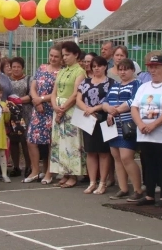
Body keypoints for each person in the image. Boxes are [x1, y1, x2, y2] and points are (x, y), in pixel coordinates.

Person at [131, 55, 162, 207]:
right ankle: (149, 194)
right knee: (148, 165)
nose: (153, 70)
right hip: (144, 133)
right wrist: (140, 124)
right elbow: (134, 107)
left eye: (157, 67)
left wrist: (154, 124)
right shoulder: (144, 87)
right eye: (151, 67)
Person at [103, 58, 143, 201]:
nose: (122, 72)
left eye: (126, 69)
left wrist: (116, 110)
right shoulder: (115, 85)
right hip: (113, 125)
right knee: (117, 157)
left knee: (126, 157)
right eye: (120, 69)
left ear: (133, 70)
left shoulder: (137, 84)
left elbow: (134, 101)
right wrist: (108, 110)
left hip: (128, 125)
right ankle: (123, 188)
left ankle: (138, 189)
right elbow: (105, 101)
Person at [51, 41, 87, 188]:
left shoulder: (80, 72)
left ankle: (73, 174)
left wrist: (63, 108)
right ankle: (64, 172)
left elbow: (75, 94)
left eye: (67, 55)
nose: (64, 58)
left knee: (71, 142)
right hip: (58, 109)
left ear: (76, 55)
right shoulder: (62, 71)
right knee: (59, 141)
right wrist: (55, 107)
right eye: (63, 55)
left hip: (70, 110)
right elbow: (54, 92)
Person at [76, 56, 114, 195]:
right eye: (94, 66)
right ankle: (92, 182)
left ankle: (103, 182)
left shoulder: (111, 83)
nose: (96, 68)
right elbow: (78, 98)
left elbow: (110, 100)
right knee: (90, 151)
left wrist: (94, 109)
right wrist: (86, 109)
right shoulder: (85, 82)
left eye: (99, 65)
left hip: (103, 118)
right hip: (87, 118)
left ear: (105, 67)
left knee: (104, 152)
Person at [25, 45, 62, 184]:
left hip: (51, 109)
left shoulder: (61, 72)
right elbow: (33, 87)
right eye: (51, 55)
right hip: (38, 109)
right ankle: (35, 171)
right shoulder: (41, 68)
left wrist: (42, 99)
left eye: (56, 56)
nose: (53, 58)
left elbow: (57, 92)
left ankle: (49, 172)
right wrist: (36, 101)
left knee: (51, 142)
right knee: (31, 140)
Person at [9, 57, 33, 178]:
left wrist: (18, 100)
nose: (16, 69)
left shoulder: (29, 79)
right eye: (14, 67)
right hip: (12, 113)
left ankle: (29, 166)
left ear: (22, 68)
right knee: (13, 140)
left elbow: (31, 96)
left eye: (18, 67)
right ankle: (16, 166)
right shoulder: (7, 80)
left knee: (25, 140)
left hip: (26, 111)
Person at [0, 81, 11, 183]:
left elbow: (6, 120)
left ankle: (4, 174)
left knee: (2, 154)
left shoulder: (4, 104)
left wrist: (7, 112)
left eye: (0, 93)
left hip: (1, 133)